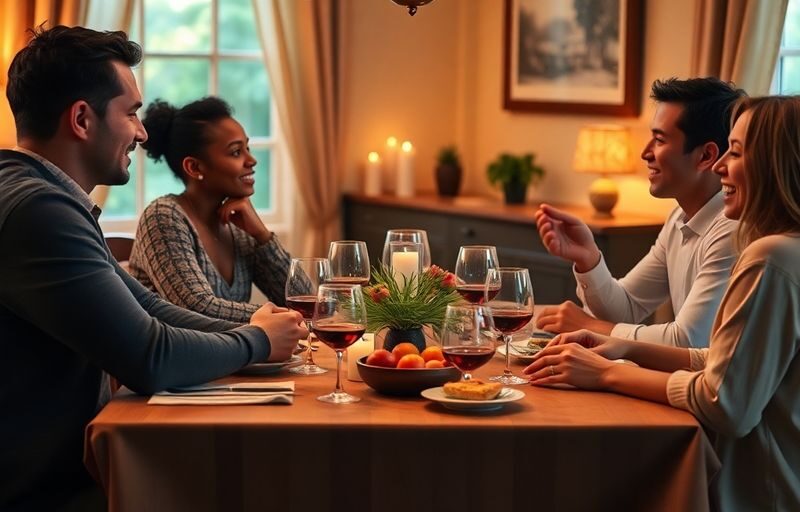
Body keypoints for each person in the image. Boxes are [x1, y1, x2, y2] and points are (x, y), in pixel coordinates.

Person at [0, 26, 307, 511]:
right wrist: (258, 341)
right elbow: (150, 356)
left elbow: (150, 308)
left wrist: (263, 332)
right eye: (131, 113)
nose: (142, 133)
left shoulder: (43, 196)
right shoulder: (39, 210)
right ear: (82, 119)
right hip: (43, 494)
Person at [525, 96, 800, 510]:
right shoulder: (781, 250)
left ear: (775, 164)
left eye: (737, 152)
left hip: (758, 493)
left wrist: (606, 375)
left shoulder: (769, 257)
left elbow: (725, 404)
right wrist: (627, 348)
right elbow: (728, 362)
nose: (722, 165)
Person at [535, 77, 746, 348]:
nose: (645, 153)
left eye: (659, 140)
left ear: (706, 156)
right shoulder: (679, 219)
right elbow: (628, 308)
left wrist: (589, 327)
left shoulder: (732, 228)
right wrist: (589, 259)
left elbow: (688, 340)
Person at [128, 97, 291, 323]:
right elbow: (196, 310)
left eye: (248, 148)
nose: (252, 160)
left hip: (235, 357)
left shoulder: (239, 225)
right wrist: (278, 317)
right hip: (172, 358)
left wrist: (262, 236)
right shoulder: (163, 217)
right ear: (194, 167)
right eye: (236, 152)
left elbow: (304, 300)